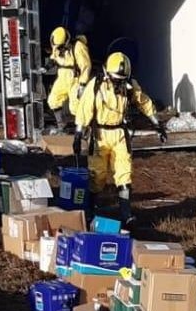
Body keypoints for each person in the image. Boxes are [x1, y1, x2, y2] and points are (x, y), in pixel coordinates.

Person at [74, 50, 169, 223]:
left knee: (124, 173)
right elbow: (85, 107)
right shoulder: (96, 86)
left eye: (122, 80)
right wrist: (78, 132)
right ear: (108, 74)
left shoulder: (129, 86)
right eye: (117, 80)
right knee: (98, 175)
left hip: (119, 135)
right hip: (99, 135)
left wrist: (157, 124)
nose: (120, 84)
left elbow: (144, 102)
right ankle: (90, 209)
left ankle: (126, 214)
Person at [44, 25, 91, 132]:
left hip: (75, 79)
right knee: (53, 100)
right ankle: (61, 125)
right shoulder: (57, 45)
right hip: (62, 77)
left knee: (75, 106)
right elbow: (54, 57)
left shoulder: (78, 47)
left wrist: (83, 84)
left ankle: (84, 129)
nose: (57, 49)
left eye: (60, 47)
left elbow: (85, 66)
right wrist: (46, 67)